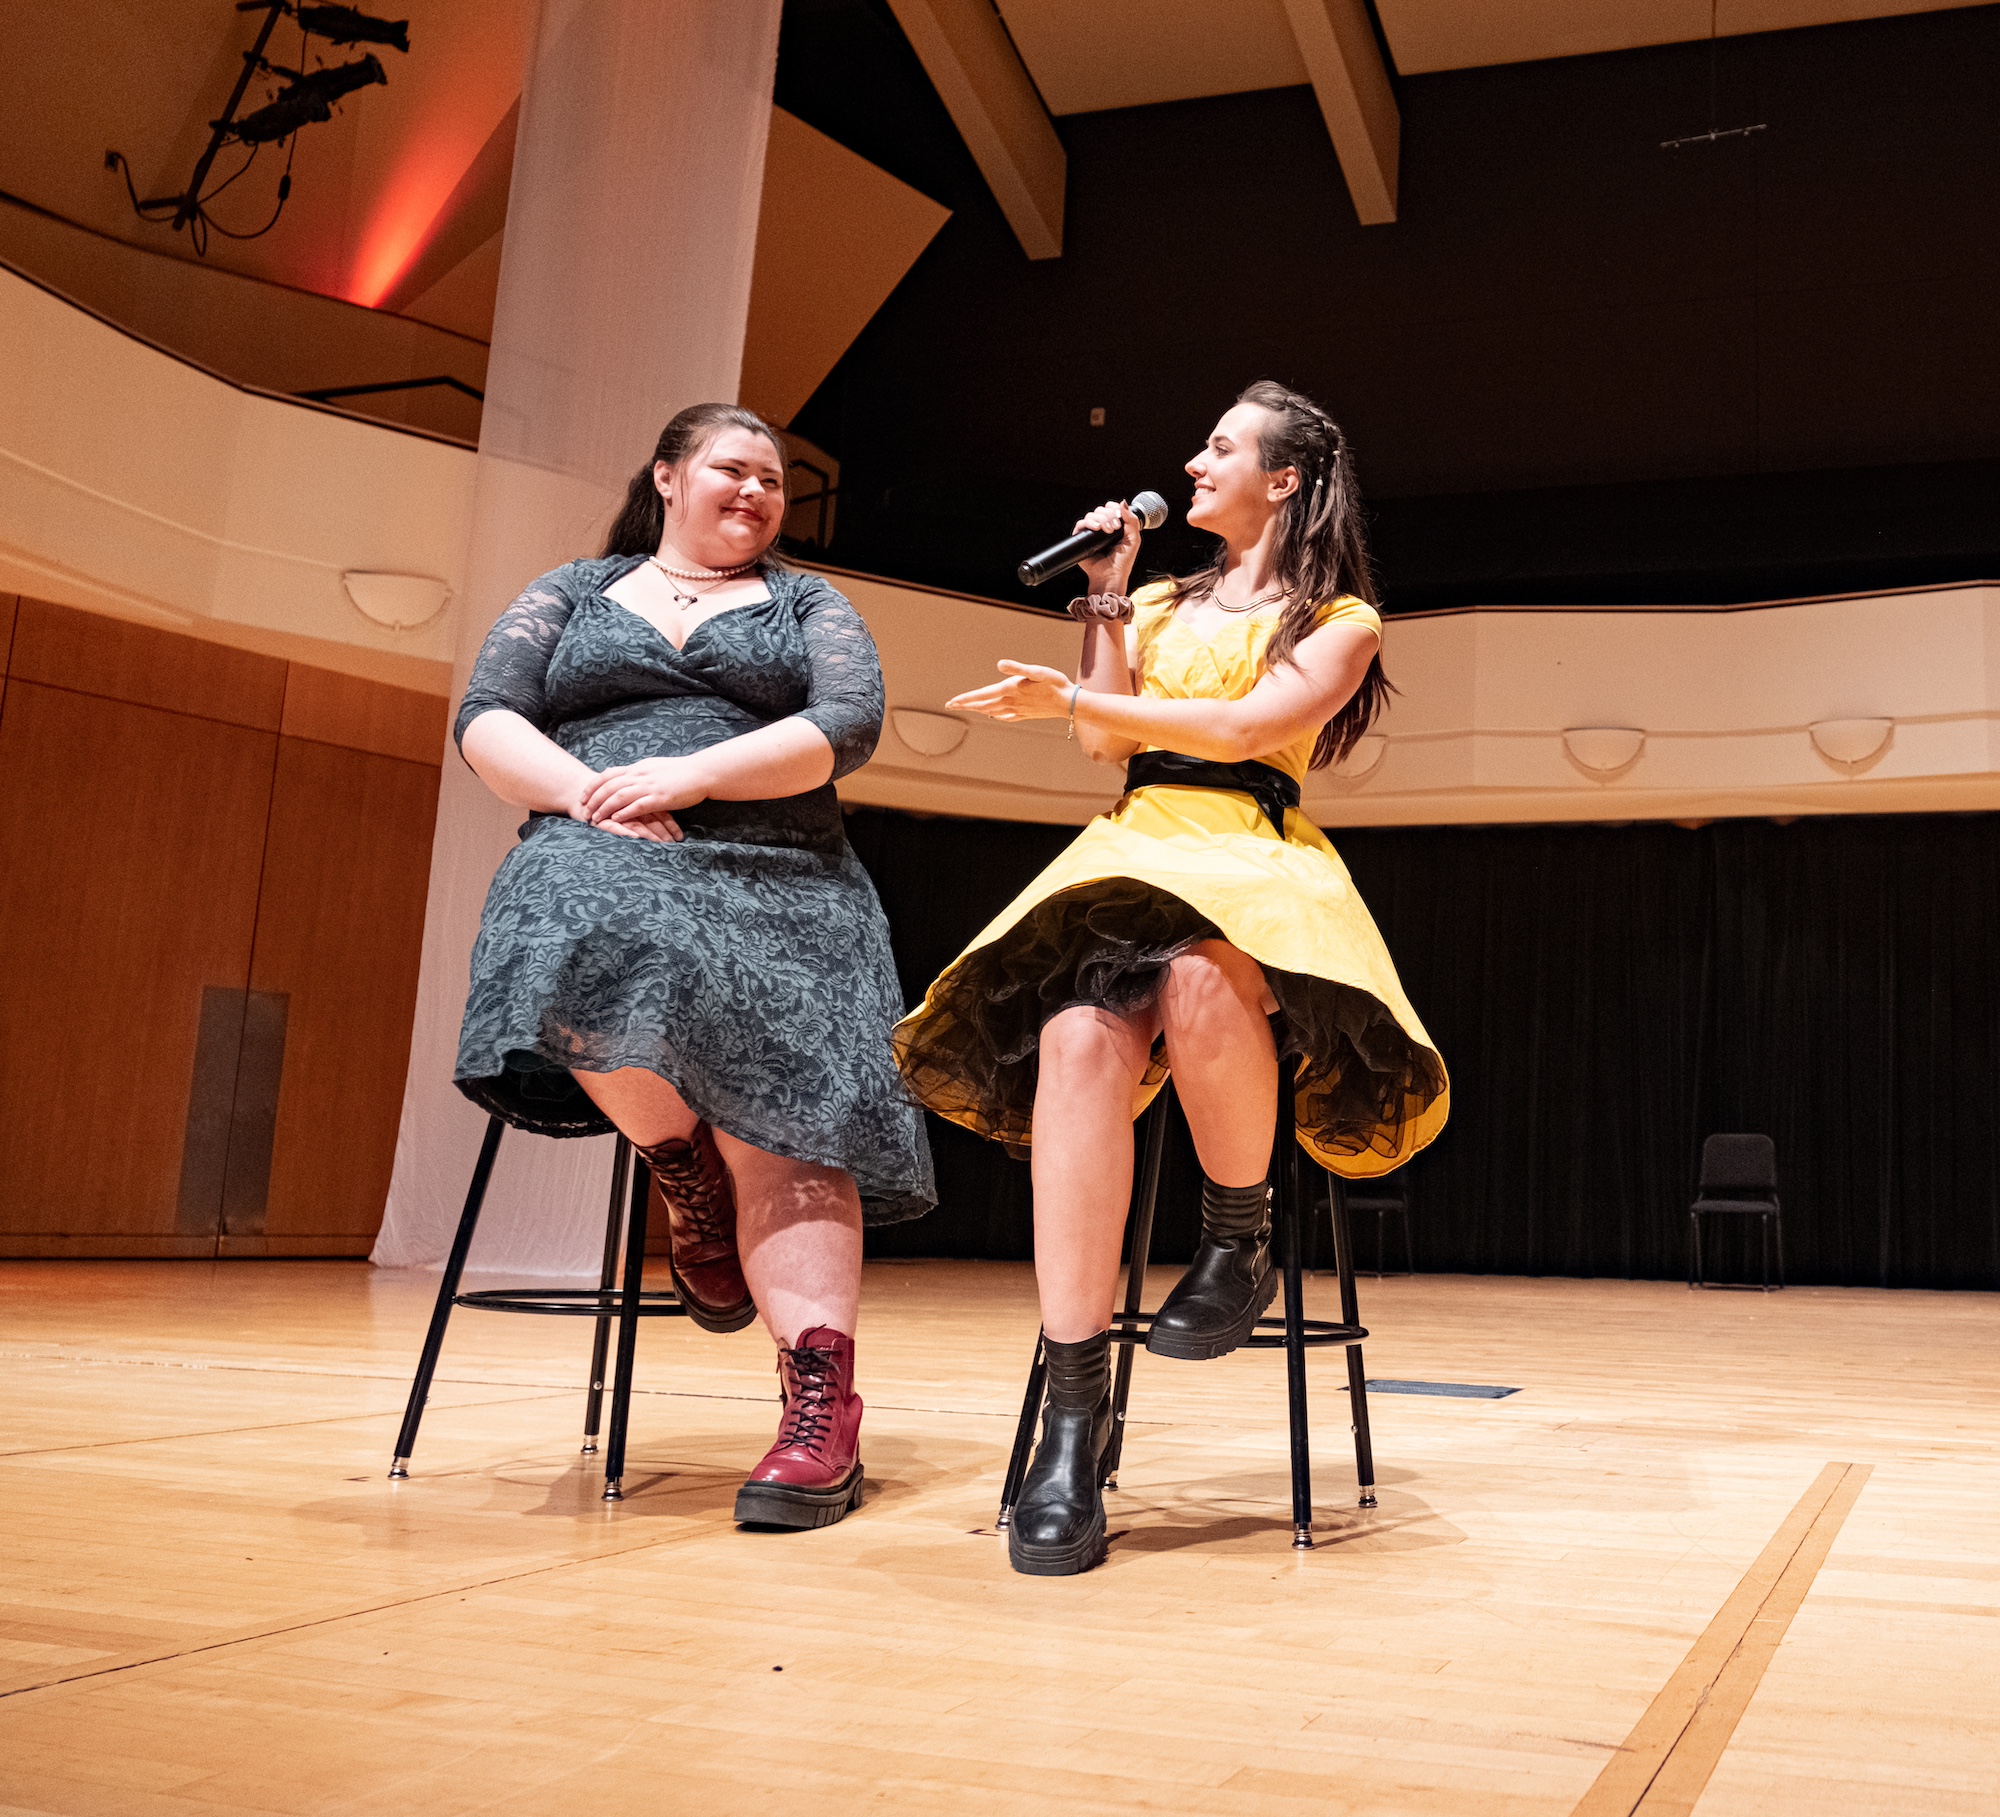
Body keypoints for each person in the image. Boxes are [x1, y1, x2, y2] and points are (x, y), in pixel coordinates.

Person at [895, 381, 1448, 1575]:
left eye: (1218, 448)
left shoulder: (1339, 615)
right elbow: (1102, 742)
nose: (1192, 463)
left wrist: (1082, 692)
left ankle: (1237, 1236)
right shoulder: (1148, 595)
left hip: (1249, 853)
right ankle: (1072, 1414)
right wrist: (1103, 590)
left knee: (1201, 980)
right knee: (1076, 1038)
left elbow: (1251, 729)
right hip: (1134, 837)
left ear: (1283, 479)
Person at [453, 402, 933, 1530]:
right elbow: (486, 716)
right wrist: (590, 793)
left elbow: (847, 723)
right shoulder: (573, 589)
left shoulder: (808, 601)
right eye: (733, 469)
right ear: (667, 476)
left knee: (784, 1096)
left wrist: (689, 775)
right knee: (566, 910)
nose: (757, 492)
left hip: (783, 864)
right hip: (599, 837)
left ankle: (819, 1408)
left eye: (772, 481)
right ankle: (681, 1162)